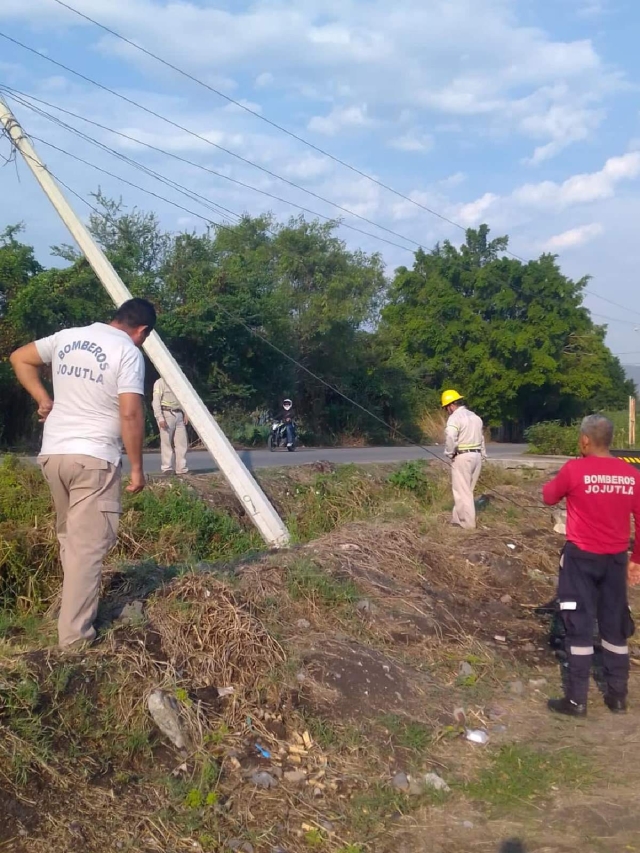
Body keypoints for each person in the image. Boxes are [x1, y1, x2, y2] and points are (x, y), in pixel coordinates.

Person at [10, 298, 156, 651]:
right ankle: (74, 640)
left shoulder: (67, 337)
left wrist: (43, 399)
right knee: (88, 548)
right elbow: (131, 415)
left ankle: (68, 615)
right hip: (94, 457)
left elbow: (20, 357)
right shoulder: (128, 352)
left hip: (54, 454)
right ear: (142, 331)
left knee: (70, 541)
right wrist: (137, 467)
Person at [542, 414, 640, 717]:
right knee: (614, 627)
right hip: (615, 559)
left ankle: (576, 700)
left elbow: (548, 496)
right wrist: (636, 560)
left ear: (585, 440)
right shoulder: (631, 475)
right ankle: (618, 696)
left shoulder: (574, 469)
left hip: (581, 560)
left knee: (579, 627)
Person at [442, 390, 486, 529]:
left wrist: (449, 452)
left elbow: (450, 435)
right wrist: (483, 455)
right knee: (467, 491)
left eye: (445, 408)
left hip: (463, 456)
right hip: (477, 456)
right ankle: (457, 519)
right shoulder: (475, 417)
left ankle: (467, 524)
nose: (446, 411)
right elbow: (482, 438)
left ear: (450, 405)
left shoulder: (455, 417)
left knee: (462, 491)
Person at [152, 377, 189, 475]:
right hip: (166, 413)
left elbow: (183, 397)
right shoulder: (159, 382)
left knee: (182, 442)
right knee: (166, 442)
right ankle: (167, 468)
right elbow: (156, 401)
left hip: (178, 413)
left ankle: (181, 468)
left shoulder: (178, 381)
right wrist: (160, 417)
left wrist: (186, 412)